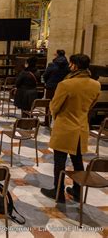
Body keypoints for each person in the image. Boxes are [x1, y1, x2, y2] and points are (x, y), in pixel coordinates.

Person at [41, 54, 100, 203]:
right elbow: (91, 105)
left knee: (59, 161)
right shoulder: (95, 84)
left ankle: (58, 192)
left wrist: (58, 115)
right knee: (78, 160)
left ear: (74, 65)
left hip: (65, 126)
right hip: (81, 127)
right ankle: (77, 191)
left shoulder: (66, 84)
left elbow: (54, 106)